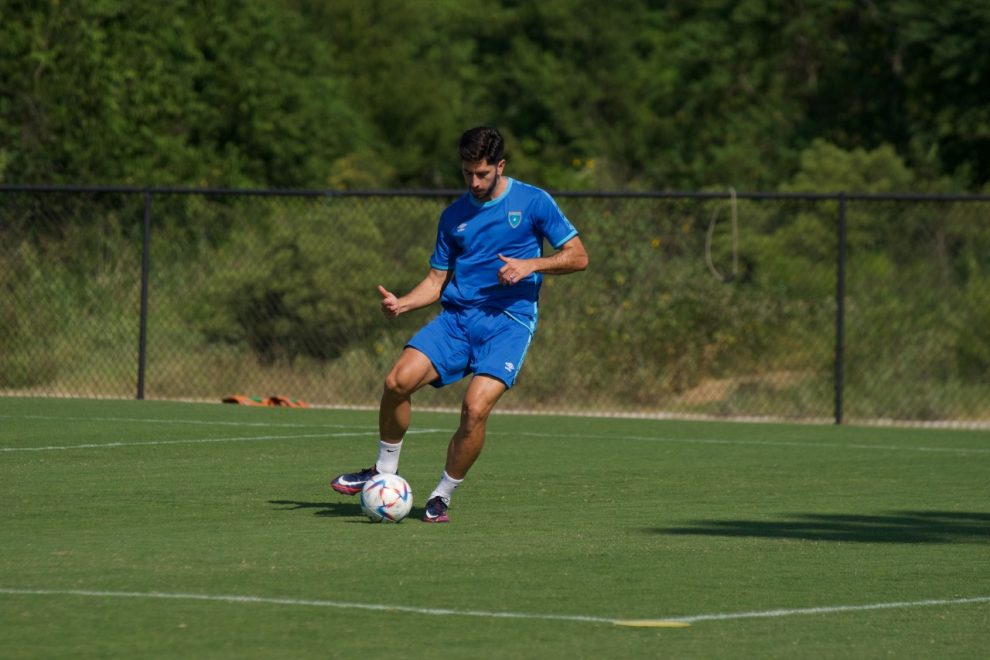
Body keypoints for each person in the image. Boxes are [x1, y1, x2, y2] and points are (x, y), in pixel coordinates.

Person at [330, 126, 588, 522]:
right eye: (467, 173)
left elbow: (577, 256)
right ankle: (383, 472)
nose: (474, 181)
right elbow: (436, 282)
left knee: (474, 408)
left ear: (500, 167)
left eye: (482, 173)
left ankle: (441, 495)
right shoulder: (453, 216)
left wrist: (531, 265)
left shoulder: (534, 202)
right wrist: (403, 304)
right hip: (456, 320)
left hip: (509, 323)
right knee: (396, 382)